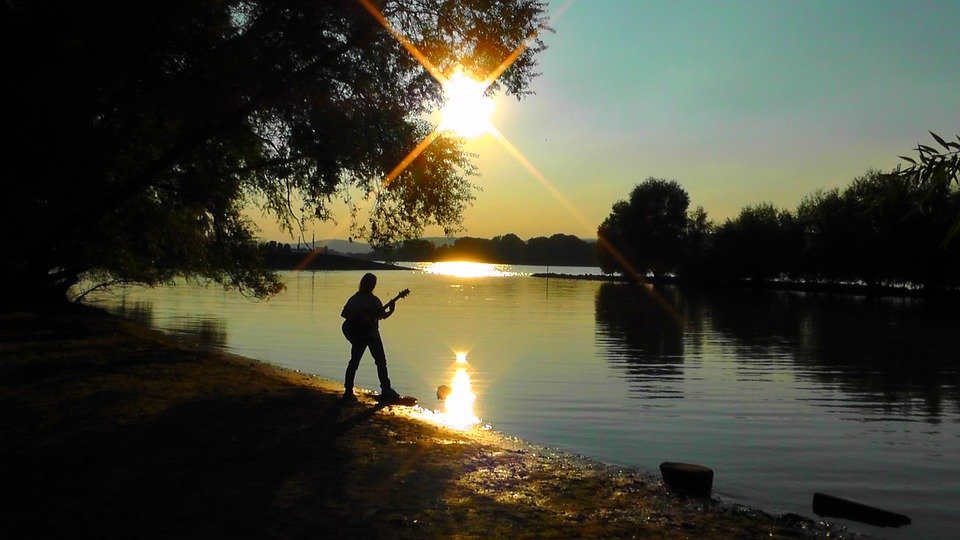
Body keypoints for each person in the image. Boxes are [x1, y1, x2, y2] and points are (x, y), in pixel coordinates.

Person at [340, 273, 401, 403]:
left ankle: (385, 389)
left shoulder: (371, 300)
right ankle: (349, 390)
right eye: (372, 283)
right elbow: (345, 314)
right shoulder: (357, 299)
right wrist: (361, 317)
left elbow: (381, 316)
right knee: (363, 361)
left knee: (378, 361)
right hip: (363, 334)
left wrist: (391, 310)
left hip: (371, 334)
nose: (373, 285)